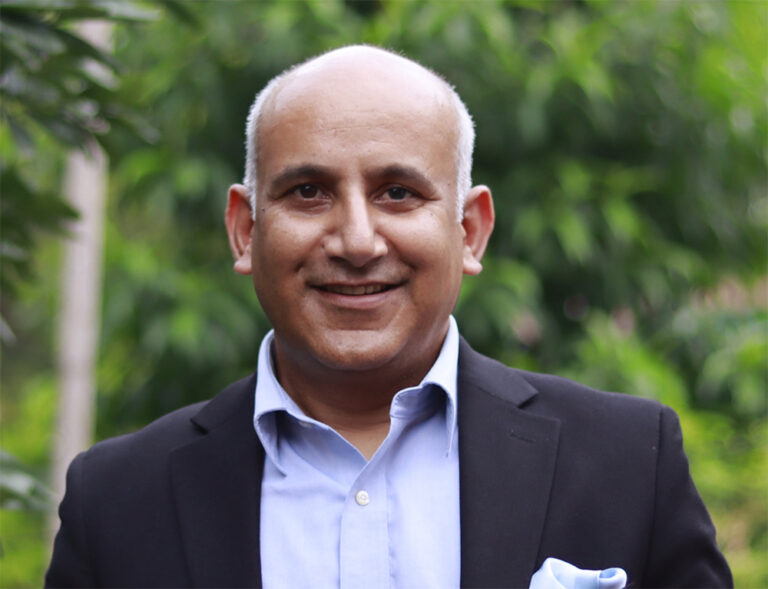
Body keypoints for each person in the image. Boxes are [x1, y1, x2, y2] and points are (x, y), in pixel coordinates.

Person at [46, 45, 732, 588]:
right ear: (245, 229)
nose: (356, 240)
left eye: (398, 193)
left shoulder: (628, 465)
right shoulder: (118, 500)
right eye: (308, 192)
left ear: (469, 230)